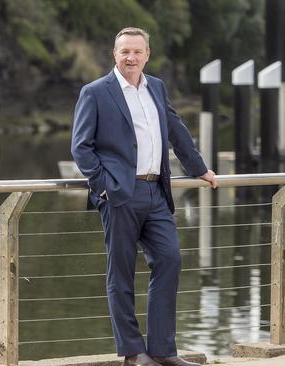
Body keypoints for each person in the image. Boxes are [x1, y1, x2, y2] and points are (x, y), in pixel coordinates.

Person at [71, 27, 217, 366]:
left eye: (137, 52)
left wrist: (200, 169)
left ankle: (164, 351)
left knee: (170, 260)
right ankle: (134, 354)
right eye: (124, 52)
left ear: (147, 55)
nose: (131, 58)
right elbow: (81, 147)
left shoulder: (157, 87)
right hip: (119, 195)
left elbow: (176, 130)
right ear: (114, 54)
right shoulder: (95, 92)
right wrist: (104, 187)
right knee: (120, 274)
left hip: (156, 191)